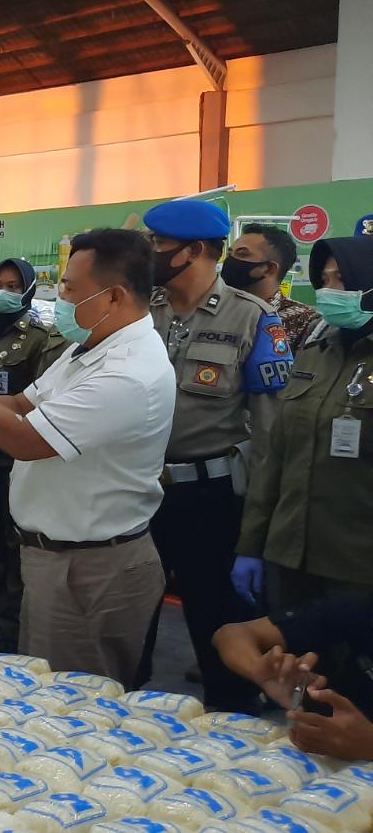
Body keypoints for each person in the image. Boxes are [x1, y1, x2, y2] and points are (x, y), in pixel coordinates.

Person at [0, 228, 172, 684]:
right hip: (56, 557)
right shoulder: (87, 349)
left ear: (114, 297)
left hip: (91, 568)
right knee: (47, 690)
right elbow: (21, 405)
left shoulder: (130, 373)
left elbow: (26, 439)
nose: (59, 296)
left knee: (79, 707)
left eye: (70, 287)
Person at [143, 197, 293, 710]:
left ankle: (232, 736)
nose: (152, 254)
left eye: (160, 245)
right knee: (133, 623)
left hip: (210, 497)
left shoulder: (252, 317)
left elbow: (273, 437)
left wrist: (257, 534)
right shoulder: (140, 311)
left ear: (196, 250)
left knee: (216, 626)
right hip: (138, 492)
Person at [235, 236, 373, 610]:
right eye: (323, 281)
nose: (329, 291)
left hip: (358, 568)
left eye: (340, 279)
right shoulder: (315, 351)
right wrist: (252, 544)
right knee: (288, 663)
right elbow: (276, 458)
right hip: (289, 556)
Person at [0, 258, 68, 652]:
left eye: (14, 286)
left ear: (28, 291)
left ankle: (11, 629)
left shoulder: (38, 338)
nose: (3, 292)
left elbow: (35, 404)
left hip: (12, 459)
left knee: (12, 551)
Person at [214, 597, 373, 760]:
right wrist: (259, 669)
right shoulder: (359, 611)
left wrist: (368, 745)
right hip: (324, 755)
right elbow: (230, 634)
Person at [222, 223, 316, 351]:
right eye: (230, 254)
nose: (230, 261)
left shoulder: (304, 322)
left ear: (269, 269)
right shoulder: (215, 311)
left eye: (242, 254)